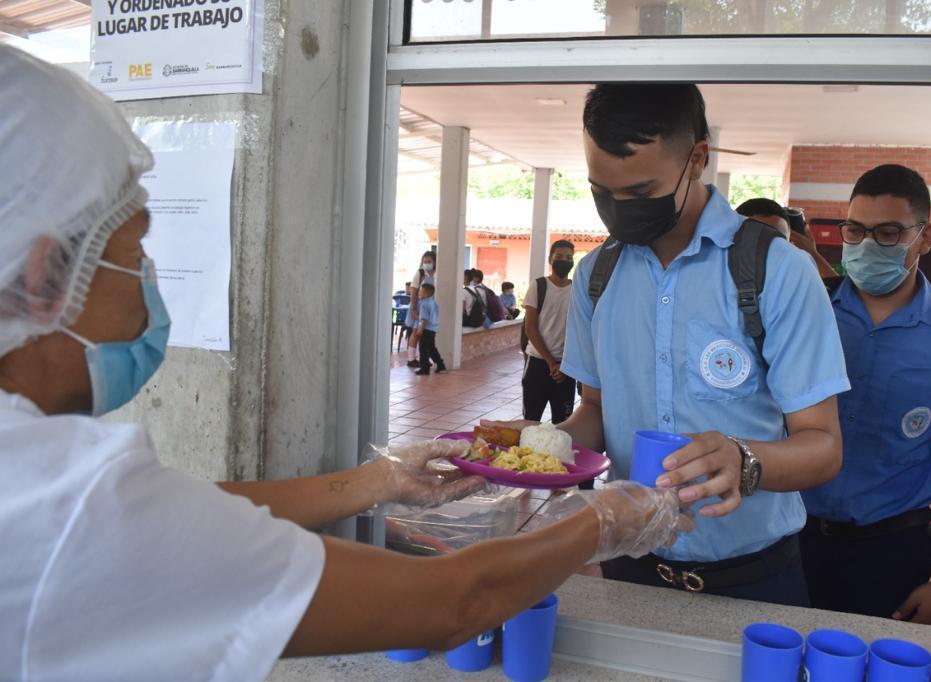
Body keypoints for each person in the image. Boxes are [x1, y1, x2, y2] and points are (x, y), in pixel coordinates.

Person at [0, 46, 688, 681]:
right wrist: (604, 523)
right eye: (135, 250)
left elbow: (182, 511)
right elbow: (453, 602)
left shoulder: (43, 483)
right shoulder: (52, 504)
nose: (150, 278)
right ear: (43, 280)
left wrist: (376, 482)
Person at [488, 83, 850, 606]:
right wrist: (544, 447)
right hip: (630, 564)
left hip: (755, 581)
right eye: (600, 191)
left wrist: (744, 461)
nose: (617, 210)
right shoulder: (598, 275)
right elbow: (595, 410)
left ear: (697, 159)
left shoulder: (777, 271)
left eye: (637, 193)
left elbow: (823, 446)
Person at [798, 164, 931, 624]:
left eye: (889, 233)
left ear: (924, 236)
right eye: (856, 230)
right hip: (787, 539)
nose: (866, 246)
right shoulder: (807, 311)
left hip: (888, 554)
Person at [522, 240, 577, 425]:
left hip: (566, 367)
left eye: (569, 258)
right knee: (531, 421)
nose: (564, 261)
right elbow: (530, 328)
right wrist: (551, 362)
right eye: (559, 257)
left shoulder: (577, 290)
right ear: (550, 259)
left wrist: (564, 364)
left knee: (563, 424)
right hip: (538, 363)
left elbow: (581, 330)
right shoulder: (538, 286)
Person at [406, 251, 436, 367]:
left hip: (430, 307)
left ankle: (424, 358)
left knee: (427, 333)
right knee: (415, 332)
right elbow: (413, 291)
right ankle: (411, 359)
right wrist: (414, 308)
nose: (427, 264)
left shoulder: (436, 274)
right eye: (425, 261)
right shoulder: (420, 273)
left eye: (429, 262)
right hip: (419, 306)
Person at [413, 282, 447, 375]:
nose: (419, 293)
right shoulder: (434, 302)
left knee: (423, 349)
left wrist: (420, 330)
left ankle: (424, 368)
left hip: (426, 329)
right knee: (432, 349)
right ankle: (441, 365)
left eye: (421, 291)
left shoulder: (424, 304)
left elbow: (424, 319)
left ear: (426, 293)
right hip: (433, 329)